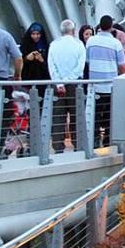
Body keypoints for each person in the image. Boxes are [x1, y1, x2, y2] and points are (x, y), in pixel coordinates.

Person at [87, 15, 125, 146]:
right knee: (110, 116)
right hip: (110, 86)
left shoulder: (91, 41)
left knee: (95, 116)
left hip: (94, 86)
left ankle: (94, 142)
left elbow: (88, 61)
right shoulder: (115, 43)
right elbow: (122, 64)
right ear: (111, 27)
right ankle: (107, 143)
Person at [48, 19, 87, 154]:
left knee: (58, 116)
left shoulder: (53, 45)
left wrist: (59, 83)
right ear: (74, 30)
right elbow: (80, 67)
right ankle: (78, 144)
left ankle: (58, 146)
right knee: (76, 115)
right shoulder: (79, 44)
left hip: (57, 85)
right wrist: (68, 80)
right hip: (75, 84)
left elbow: (51, 67)